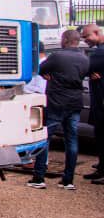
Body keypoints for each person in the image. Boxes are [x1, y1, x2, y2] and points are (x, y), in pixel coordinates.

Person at [27, 29, 88, 190]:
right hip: (75, 103)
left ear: (65, 40)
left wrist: (48, 75)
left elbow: (39, 69)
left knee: (45, 138)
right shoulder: (84, 58)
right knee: (72, 140)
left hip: (56, 102)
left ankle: (39, 177)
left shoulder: (57, 56)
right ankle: (68, 180)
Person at [79, 24, 104, 183]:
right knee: (100, 137)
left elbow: (83, 68)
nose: (84, 40)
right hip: (99, 101)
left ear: (96, 33)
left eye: (86, 36)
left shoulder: (100, 52)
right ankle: (101, 169)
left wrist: (91, 71)